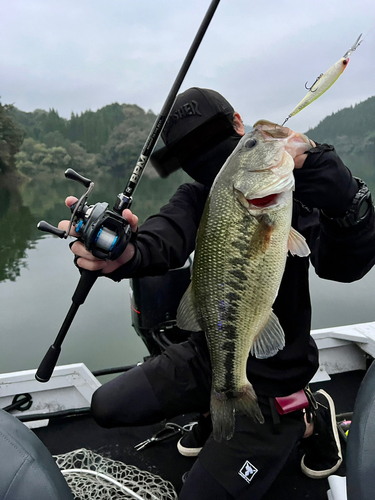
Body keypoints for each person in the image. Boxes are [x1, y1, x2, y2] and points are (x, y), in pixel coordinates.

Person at [58, 87, 375, 499]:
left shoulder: (291, 194)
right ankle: (214, 405)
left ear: (238, 123)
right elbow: (165, 232)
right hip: (210, 349)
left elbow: (343, 267)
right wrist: (128, 252)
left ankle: (308, 416)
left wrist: (345, 196)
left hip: (278, 377)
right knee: (106, 406)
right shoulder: (197, 194)